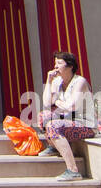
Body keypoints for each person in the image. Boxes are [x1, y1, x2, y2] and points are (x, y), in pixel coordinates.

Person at [37, 51, 95, 180]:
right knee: (43, 116)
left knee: (53, 125)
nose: (55, 67)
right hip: (68, 121)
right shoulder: (57, 82)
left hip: (85, 125)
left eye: (59, 63)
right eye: (55, 63)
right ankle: (53, 146)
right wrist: (49, 81)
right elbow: (47, 103)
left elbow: (71, 106)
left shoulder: (80, 82)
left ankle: (73, 170)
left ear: (70, 66)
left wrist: (56, 101)